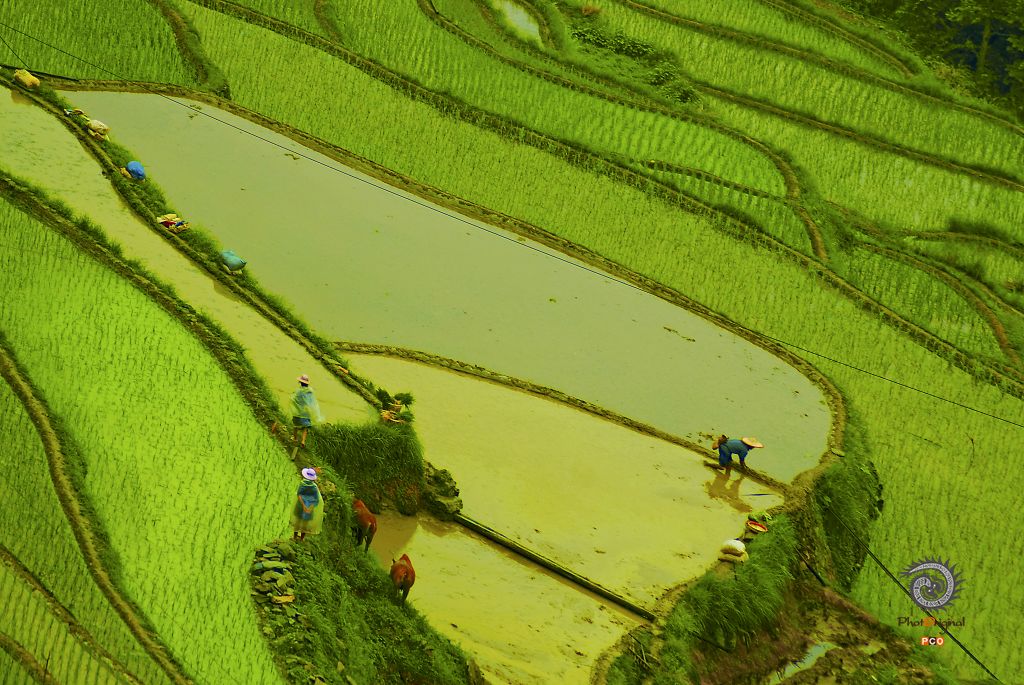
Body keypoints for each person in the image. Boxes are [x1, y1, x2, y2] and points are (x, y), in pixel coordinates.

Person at [272, 374, 322, 448]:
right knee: (305, 428)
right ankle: (303, 441)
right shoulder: (310, 391)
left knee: (295, 426)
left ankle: (295, 439)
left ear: (300, 382)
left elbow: (293, 399)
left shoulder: (298, 391)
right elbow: (312, 402)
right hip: (305, 413)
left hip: (297, 412)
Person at [290, 467, 324, 541]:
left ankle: (295, 537)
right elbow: (316, 499)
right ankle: (302, 538)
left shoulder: (302, 483)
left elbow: (299, 495)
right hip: (309, 506)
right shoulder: (314, 487)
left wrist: (303, 506)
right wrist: (310, 508)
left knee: (298, 521)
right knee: (305, 523)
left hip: (300, 504)